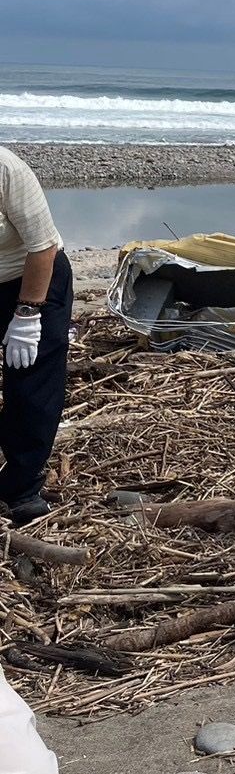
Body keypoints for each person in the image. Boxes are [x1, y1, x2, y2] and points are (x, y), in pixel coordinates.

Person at [0, 147, 72, 527]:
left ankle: (22, 486)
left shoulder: (6, 169)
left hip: (33, 278)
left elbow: (42, 246)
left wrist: (27, 315)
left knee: (31, 383)